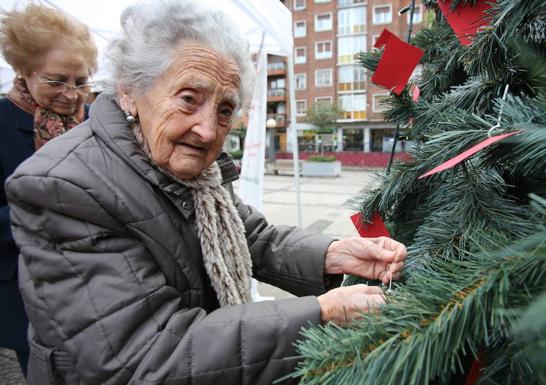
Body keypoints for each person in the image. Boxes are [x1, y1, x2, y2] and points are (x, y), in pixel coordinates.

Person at [6, 1, 407, 384]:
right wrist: (321, 313)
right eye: (188, 99)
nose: (208, 130)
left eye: (225, 109)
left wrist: (335, 254)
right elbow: (145, 357)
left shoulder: (198, 174)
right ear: (130, 91)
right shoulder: (64, 186)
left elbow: (251, 237)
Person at [0, 4, 97, 376]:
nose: (72, 94)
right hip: (25, 289)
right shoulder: (2, 123)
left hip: (92, 280)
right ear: (23, 70)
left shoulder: (92, 121)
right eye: (57, 81)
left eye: (81, 81)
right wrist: (54, 209)